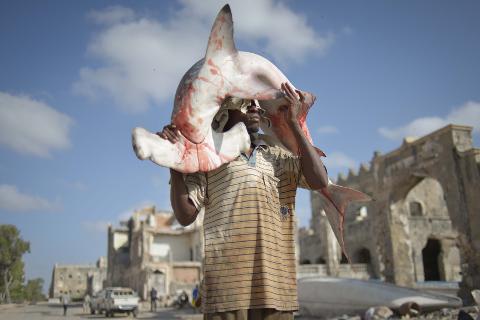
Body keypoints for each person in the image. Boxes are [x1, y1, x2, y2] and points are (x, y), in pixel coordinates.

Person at [159, 82, 328, 320]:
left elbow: (319, 180)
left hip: (276, 289)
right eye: (247, 104)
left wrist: (293, 122)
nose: (256, 108)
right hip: (226, 291)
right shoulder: (209, 159)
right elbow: (185, 216)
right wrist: (175, 162)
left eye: (258, 105)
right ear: (223, 116)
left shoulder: (278, 156)